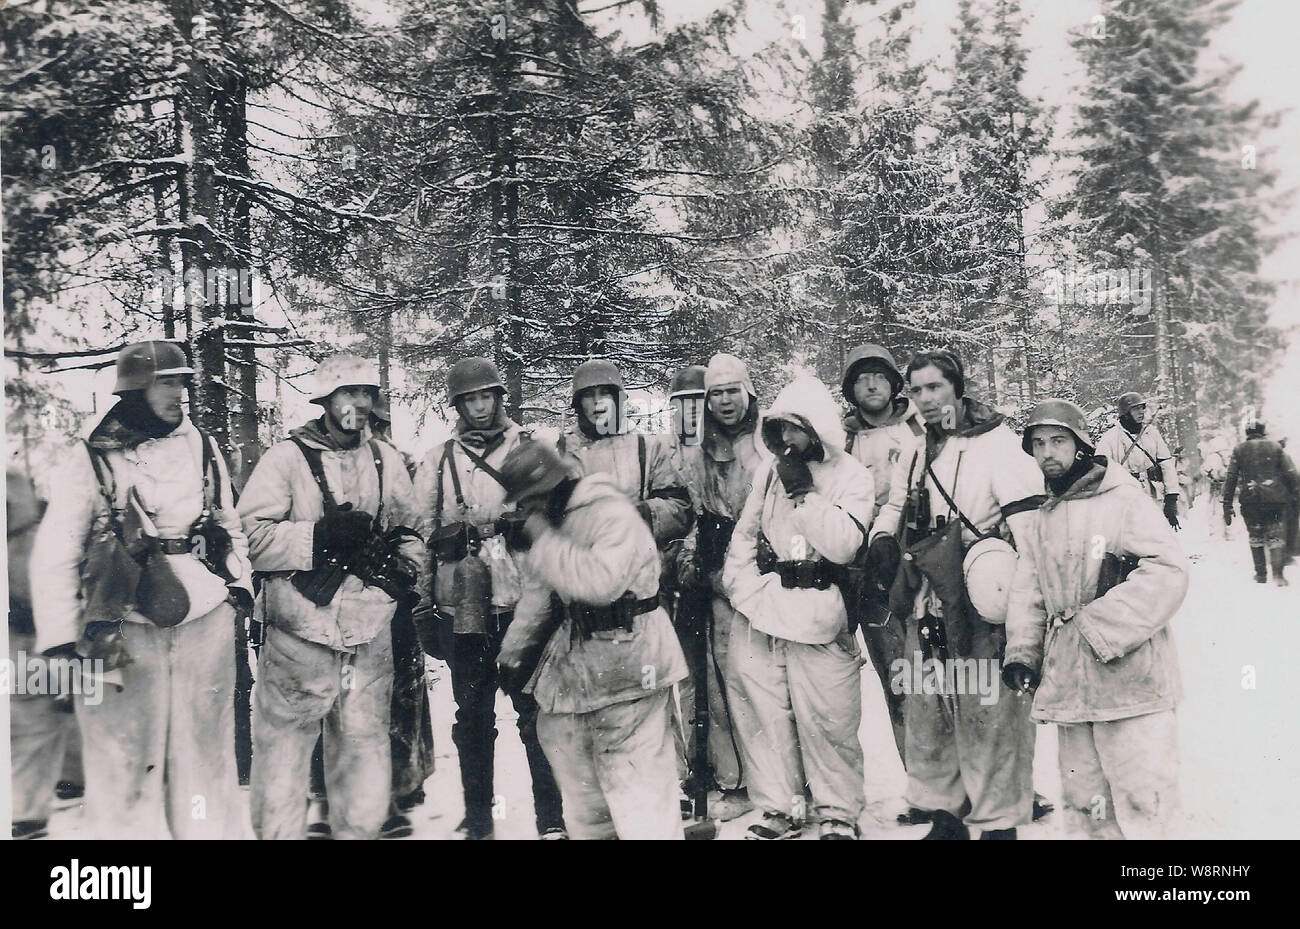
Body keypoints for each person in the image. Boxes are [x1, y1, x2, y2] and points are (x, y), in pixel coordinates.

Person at [29, 340, 254, 839]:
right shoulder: (92, 457)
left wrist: (239, 588)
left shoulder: (205, 446)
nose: (180, 392)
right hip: (121, 626)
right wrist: (63, 639)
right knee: (121, 761)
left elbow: (228, 522)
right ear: (136, 389)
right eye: (166, 381)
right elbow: (58, 549)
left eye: (181, 381)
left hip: (204, 615)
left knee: (205, 760)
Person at [238, 353, 424, 840]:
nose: (358, 404)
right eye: (347, 393)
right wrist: (318, 538)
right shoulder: (286, 459)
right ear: (326, 400)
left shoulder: (384, 459)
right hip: (300, 630)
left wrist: (402, 570)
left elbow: (412, 529)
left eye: (365, 393)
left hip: (368, 630)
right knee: (282, 754)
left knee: (364, 753)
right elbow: (249, 537)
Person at [870, 349, 1043, 840]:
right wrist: (883, 537)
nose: (924, 399)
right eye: (916, 390)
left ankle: (997, 822)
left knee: (988, 711)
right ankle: (947, 817)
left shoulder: (999, 447)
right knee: (930, 708)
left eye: (934, 388)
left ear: (957, 388)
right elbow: (896, 503)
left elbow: (1029, 532)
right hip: (926, 593)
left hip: (978, 594)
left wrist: (1018, 600)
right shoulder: (914, 448)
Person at [1004, 399, 1186, 839]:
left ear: (1081, 445)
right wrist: (1023, 653)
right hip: (1071, 681)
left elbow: (1168, 569)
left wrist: (1100, 627)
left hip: (1130, 680)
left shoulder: (1123, 500)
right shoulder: (1043, 514)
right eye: (1039, 443)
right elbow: (1031, 588)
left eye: (1059, 441)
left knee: (1145, 799)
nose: (1048, 452)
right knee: (1085, 806)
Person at [495, 441, 689, 839]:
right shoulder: (552, 520)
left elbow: (601, 583)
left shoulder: (608, 510)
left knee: (640, 794)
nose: (527, 512)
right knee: (588, 804)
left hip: (635, 661)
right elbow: (537, 596)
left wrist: (543, 540)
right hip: (582, 671)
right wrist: (512, 654)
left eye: (531, 501)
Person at [411, 357, 566, 840]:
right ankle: (479, 820)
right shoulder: (439, 460)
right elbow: (419, 532)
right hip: (465, 609)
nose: (479, 407)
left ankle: (552, 819)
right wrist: (421, 605)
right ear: (458, 405)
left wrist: (525, 524)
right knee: (472, 719)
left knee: (535, 716)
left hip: (524, 606)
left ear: (500, 398)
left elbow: (560, 518)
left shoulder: (531, 449)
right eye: (469, 399)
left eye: (487, 397)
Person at [722, 375, 874, 840]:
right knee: (766, 716)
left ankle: (838, 813)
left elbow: (845, 545)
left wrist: (805, 496)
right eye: (780, 430)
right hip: (766, 607)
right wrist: (742, 587)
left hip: (821, 608)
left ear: (817, 428)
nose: (787, 440)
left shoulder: (851, 474)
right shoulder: (767, 472)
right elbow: (745, 535)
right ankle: (780, 808)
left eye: (796, 429)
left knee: (827, 717)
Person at [671, 354, 759, 822]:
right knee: (714, 681)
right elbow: (695, 514)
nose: (724, 401)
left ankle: (780, 781)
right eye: (715, 394)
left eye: (732, 391)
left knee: (759, 683)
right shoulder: (694, 452)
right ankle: (734, 779)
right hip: (712, 579)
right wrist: (692, 556)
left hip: (760, 577)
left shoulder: (766, 442)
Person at [840, 343, 923, 766]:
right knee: (897, 673)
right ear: (850, 389)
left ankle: (983, 779)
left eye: (879, 375)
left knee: (950, 671)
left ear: (894, 383)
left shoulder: (920, 425)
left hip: (923, 559)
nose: (871, 384)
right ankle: (924, 783)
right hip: (869, 568)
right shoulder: (841, 440)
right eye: (861, 377)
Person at [8, 469, 83, 840]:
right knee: (42, 720)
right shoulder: (32, 538)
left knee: (46, 718)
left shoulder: (34, 539)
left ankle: (56, 789)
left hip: (35, 641)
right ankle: (30, 809)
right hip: (31, 641)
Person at [559, 358, 693, 550]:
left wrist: (640, 514)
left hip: (634, 561)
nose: (597, 401)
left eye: (605, 392)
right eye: (589, 395)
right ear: (579, 403)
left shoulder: (646, 447)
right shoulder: (562, 450)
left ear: (616, 399)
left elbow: (679, 507)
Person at [1222, 419, 1299, 586]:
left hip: (1251, 500)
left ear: (1246, 433)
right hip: (1275, 500)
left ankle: (1261, 574)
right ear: (1263, 431)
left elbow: (1231, 478)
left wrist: (1227, 504)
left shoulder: (1239, 450)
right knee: (1275, 535)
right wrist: (1296, 495)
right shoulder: (1275, 448)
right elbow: (1291, 474)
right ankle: (1278, 575)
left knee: (1255, 535)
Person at [1095, 392, 1181, 530]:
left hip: (1153, 496)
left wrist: (1171, 498)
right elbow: (1099, 472)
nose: (1141, 412)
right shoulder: (1110, 438)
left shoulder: (1151, 433)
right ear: (1126, 413)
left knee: (1156, 535)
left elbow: (1166, 465)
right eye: (1136, 409)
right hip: (1124, 499)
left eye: (1142, 408)